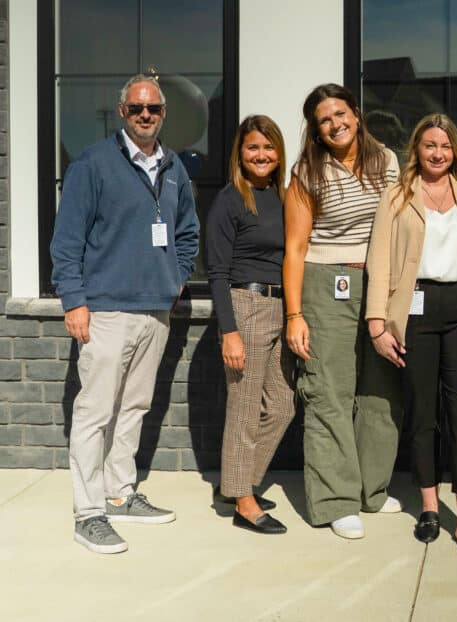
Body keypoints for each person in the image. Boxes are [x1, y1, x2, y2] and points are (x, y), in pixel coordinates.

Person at [51, 74, 199, 554]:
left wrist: (174, 280)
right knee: (94, 412)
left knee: (133, 407)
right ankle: (88, 513)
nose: (145, 115)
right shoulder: (93, 165)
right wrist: (74, 300)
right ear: (121, 112)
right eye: (136, 108)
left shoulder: (174, 167)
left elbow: (186, 234)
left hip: (155, 310)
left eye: (153, 108)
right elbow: (67, 240)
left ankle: (119, 493)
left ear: (163, 113)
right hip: (105, 309)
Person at [366, 114, 457, 561]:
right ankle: (428, 509)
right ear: (416, 150)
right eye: (429, 145)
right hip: (414, 311)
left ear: (455, 150)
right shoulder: (397, 195)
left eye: (445, 145)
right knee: (423, 413)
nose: (437, 153)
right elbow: (379, 260)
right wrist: (377, 323)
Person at [283, 83, 403, 539]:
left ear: (356, 112)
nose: (335, 124)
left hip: (381, 285)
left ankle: (372, 490)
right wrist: (295, 315)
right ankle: (336, 499)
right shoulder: (307, 172)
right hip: (325, 283)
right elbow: (295, 248)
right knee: (329, 392)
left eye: (340, 114)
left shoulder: (387, 161)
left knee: (381, 390)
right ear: (316, 131)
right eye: (324, 121)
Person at [205, 115, 295, 535]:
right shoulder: (229, 199)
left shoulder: (281, 195)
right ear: (240, 154)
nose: (262, 155)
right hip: (246, 305)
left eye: (269, 147)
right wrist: (230, 331)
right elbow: (217, 273)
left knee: (281, 405)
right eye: (253, 147)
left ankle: (236, 482)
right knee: (243, 409)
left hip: (280, 308)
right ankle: (243, 501)